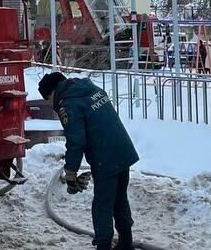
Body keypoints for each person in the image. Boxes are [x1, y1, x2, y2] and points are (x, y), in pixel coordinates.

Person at [39, 71, 139, 250]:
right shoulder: (91, 89)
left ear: (53, 92)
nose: (51, 103)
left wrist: (71, 172)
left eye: (49, 99)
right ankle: (125, 242)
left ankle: (103, 245)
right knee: (119, 199)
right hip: (123, 150)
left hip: (105, 157)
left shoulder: (69, 103)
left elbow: (76, 140)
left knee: (102, 204)